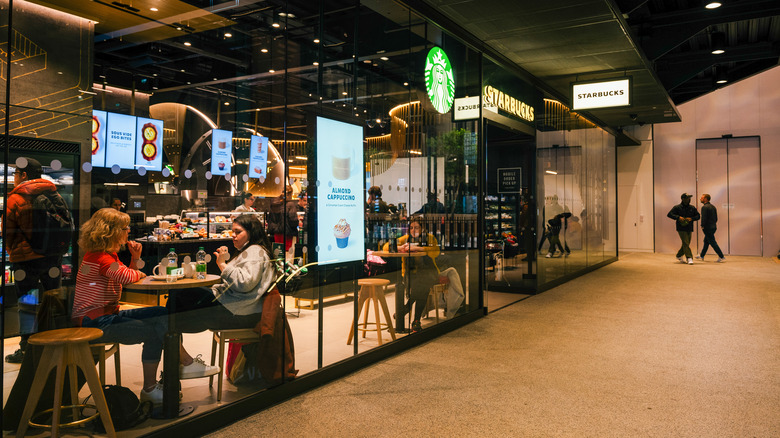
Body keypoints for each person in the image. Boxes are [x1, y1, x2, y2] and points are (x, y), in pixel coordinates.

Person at [71, 208, 218, 405]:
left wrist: (134, 258)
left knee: (162, 313)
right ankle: (158, 382)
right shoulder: (102, 259)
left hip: (104, 316)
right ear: (111, 231)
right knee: (154, 329)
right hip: (96, 322)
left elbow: (125, 274)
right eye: (125, 228)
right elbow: (129, 276)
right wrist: (137, 271)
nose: (128, 231)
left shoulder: (100, 256)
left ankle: (182, 365)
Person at [166, 214, 277, 335]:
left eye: (238, 232)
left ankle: (173, 344)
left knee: (176, 296)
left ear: (251, 233)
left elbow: (245, 284)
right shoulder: (253, 250)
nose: (233, 235)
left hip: (238, 313)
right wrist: (222, 265)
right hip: (239, 309)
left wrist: (223, 264)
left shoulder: (255, 250)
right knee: (177, 301)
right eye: (232, 231)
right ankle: (174, 343)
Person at [4, 158, 64, 364]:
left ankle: (27, 349)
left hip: (26, 260)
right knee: (52, 301)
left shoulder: (17, 197)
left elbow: (8, 231)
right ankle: (53, 344)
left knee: (27, 304)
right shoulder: (53, 193)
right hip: (52, 258)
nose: (13, 178)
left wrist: (12, 250)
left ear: (23, 176)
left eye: (15, 174)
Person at [385, 218, 440, 333]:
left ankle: (406, 308)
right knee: (423, 289)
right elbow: (386, 246)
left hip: (428, 271)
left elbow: (436, 250)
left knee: (422, 284)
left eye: (416, 227)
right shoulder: (405, 239)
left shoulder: (429, 238)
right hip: (411, 273)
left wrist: (417, 248)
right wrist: (400, 247)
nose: (413, 230)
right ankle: (415, 321)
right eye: (411, 227)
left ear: (423, 228)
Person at [667, 193, 700, 264]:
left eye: (689, 198)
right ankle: (689, 258)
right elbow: (669, 214)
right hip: (681, 228)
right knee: (685, 242)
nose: (689, 199)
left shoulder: (692, 208)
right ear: (683, 199)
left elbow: (698, 216)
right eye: (687, 198)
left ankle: (679, 255)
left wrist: (691, 218)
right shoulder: (677, 207)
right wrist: (678, 217)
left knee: (686, 243)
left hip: (689, 227)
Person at [267, 187, 299, 255]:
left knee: (278, 252)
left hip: (276, 233)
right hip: (287, 234)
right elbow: (293, 221)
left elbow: (269, 218)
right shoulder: (290, 205)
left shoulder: (274, 204)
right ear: (290, 194)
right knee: (287, 254)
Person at [696, 193, 725, 262]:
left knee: (712, 242)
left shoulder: (704, 207)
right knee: (706, 241)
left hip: (707, 228)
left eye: (702, 198)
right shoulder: (713, 207)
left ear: (706, 199)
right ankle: (702, 255)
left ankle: (721, 256)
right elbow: (716, 218)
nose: (700, 199)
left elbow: (704, 218)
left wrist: (702, 225)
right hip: (713, 227)